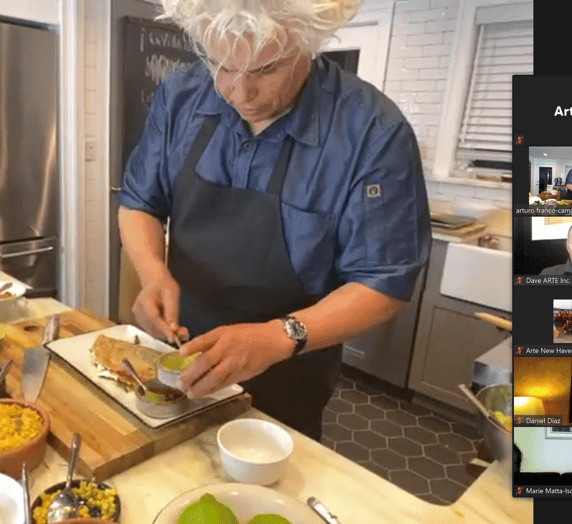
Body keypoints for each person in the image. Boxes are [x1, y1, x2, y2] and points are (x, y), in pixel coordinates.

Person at [117, 0, 431, 440]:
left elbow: (385, 282)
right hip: (179, 346)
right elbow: (139, 202)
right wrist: (152, 273)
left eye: (265, 70)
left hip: (290, 367)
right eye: (221, 65)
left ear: (309, 45)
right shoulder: (180, 98)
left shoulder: (372, 132)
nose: (239, 92)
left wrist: (280, 335)